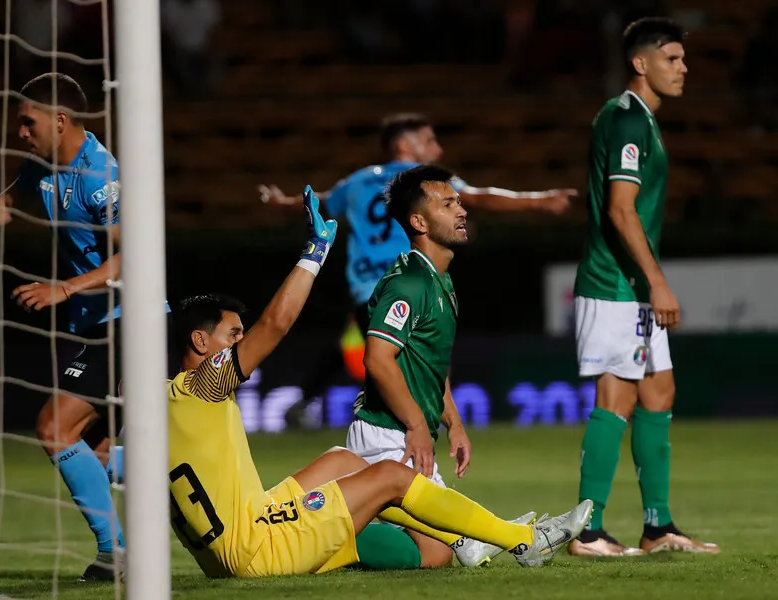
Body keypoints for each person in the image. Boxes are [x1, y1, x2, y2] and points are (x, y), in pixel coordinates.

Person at [155, 186, 591, 577]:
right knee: (390, 475)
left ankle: (465, 537)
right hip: (258, 549)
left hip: (233, 540)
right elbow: (277, 323)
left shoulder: (157, 401)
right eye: (233, 335)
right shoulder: (204, 385)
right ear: (199, 341)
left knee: (343, 462)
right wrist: (315, 251)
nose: (242, 342)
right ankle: (524, 541)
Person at [0, 72, 150, 580]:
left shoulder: (101, 176)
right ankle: (165, 478)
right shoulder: (43, 166)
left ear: (59, 121)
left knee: (53, 428)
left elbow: (137, 252)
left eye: (27, 121)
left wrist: (65, 288)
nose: (20, 131)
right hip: (95, 324)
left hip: (130, 321)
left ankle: (116, 553)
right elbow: (9, 206)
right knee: (94, 456)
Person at [260, 113, 577, 429]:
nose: (437, 149)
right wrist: (539, 201)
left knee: (383, 362)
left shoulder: (355, 183)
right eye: (428, 141)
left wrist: (280, 203)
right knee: (422, 362)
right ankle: (410, 432)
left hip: (366, 291)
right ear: (402, 144)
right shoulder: (422, 181)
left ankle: (371, 422)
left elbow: (316, 203)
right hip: (409, 283)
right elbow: (480, 197)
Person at [568, 17, 720, 557]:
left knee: (659, 391)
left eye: (683, 59)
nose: (684, 68)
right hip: (615, 285)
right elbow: (621, 208)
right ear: (641, 63)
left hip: (630, 286)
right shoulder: (627, 117)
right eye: (673, 59)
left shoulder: (641, 121)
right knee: (617, 397)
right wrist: (658, 282)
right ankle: (586, 530)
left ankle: (658, 527)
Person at [342, 164, 529, 570]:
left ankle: (354, 523)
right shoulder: (409, 282)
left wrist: (454, 423)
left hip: (407, 431)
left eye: (459, 201)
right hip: (387, 434)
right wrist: (414, 424)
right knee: (437, 552)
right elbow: (376, 357)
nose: (461, 210)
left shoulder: (439, 281)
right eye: (448, 204)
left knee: (441, 551)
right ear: (418, 221)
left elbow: (431, 363)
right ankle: (331, 538)